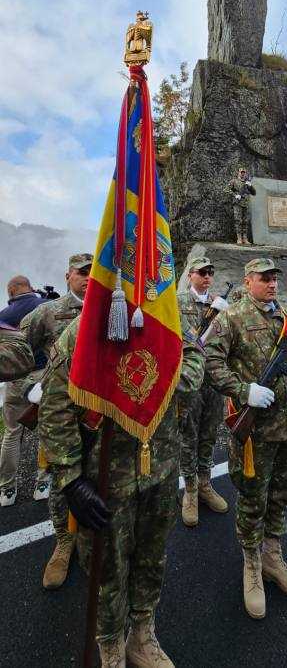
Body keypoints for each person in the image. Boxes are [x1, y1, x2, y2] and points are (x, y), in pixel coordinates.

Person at [39, 310, 205, 668]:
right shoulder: (85, 325)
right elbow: (54, 405)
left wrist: (153, 371)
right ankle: (111, 643)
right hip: (105, 477)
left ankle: (142, 634)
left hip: (159, 468)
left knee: (151, 558)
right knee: (106, 567)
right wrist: (69, 478)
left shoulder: (167, 317)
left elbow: (195, 364)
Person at [204, 257, 287, 619]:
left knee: (281, 496)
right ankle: (251, 564)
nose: (272, 284)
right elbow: (209, 359)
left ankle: (272, 556)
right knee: (253, 497)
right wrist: (241, 390)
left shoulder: (283, 316)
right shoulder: (231, 317)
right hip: (255, 431)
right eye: (264, 279)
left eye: (274, 279)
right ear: (247, 280)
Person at [15, 253, 93, 589]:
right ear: (67, 276)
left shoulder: (108, 312)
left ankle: (91, 537)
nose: (89, 279)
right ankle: (64, 542)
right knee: (62, 478)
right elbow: (18, 354)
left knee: (95, 477)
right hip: (60, 414)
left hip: (97, 415)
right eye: (82, 273)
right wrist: (33, 385)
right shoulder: (46, 313)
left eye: (95, 273)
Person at [177, 256, 229, 527]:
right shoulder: (178, 302)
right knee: (189, 434)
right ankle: (190, 490)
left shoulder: (220, 304)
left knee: (209, 433)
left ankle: (205, 483)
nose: (207, 277)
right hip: (188, 380)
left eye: (210, 272)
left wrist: (224, 316)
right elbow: (178, 337)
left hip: (214, 379)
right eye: (201, 272)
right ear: (190, 276)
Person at [0, 277, 47, 508]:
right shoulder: (44, 306)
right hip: (41, 378)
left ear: (11, 292)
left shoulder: (3, 315)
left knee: (11, 434)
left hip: (14, 381)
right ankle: (42, 484)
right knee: (44, 432)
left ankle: (7, 490)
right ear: (30, 288)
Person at [229, 168, 256, 245]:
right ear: (238, 173)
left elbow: (254, 193)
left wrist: (250, 186)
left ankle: (245, 238)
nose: (242, 174)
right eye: (241, 172)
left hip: (246, 204)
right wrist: (235, 195)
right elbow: (227, 190)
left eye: (244, 173)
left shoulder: (247, 182)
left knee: (245, 221)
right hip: (238, 204)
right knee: (238, 221)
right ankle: (239, 238)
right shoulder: (234, 181)